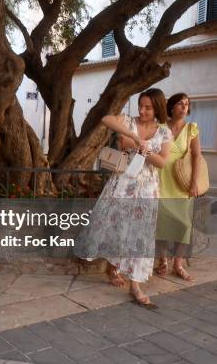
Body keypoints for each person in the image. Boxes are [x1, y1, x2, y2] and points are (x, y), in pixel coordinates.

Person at [75, 88, 171, 308]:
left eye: (148, 107)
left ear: (157, 108)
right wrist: (136, 138)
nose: (143, 110)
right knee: (117, 227)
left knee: (140, 233)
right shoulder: (128, 121)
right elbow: (106, 118)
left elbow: (163, 162)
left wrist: (143, 150)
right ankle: (113, 267)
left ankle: (135, 284)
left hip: (147, 187)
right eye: (141, 105)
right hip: (123, 183)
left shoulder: (164, 132)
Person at [155, 93, 201, 281]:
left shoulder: (192, 129)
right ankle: (163, 260)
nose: (184, 107)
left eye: (187, 104)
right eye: (181, 104)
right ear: (172, 107)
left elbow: (197, 156)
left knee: (184, 225)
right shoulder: (159, 127)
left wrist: (194, 182)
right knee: (162, 223)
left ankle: (178, 263)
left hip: (181, 182)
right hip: (160, 179)